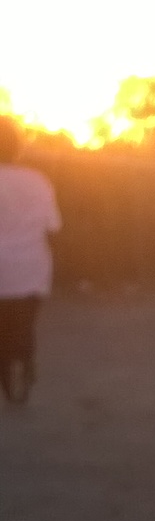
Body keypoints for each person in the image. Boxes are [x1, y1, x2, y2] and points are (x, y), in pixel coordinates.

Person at [0, 116, 62, 405]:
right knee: (25, 321)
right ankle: (25, 359)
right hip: (31, 268)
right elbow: (53, 227)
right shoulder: (38, 181)